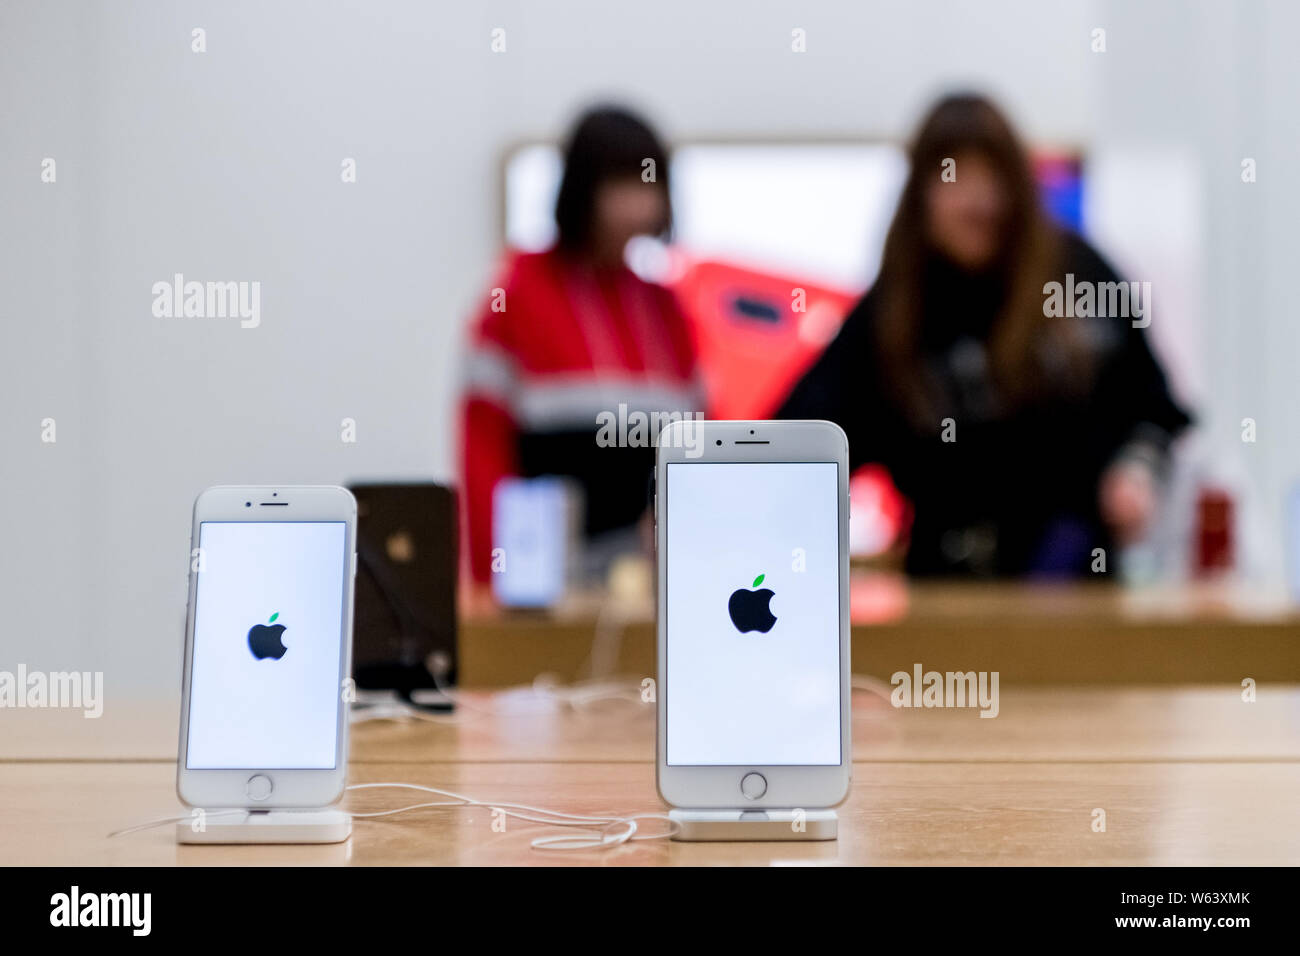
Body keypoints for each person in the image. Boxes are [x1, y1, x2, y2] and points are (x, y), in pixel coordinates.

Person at [777, 93, 1191, 577]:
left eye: (993, 176)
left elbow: (1153, 407)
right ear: (922, 193)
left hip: (1074, 581)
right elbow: (805, 440)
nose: (979, 201)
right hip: (946, 589)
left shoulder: (1077, 274)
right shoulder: (894, 311)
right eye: (955, 177)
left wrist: (1136, 473)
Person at [459, 106, 702, 586]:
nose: (638, 204)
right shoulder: (518, 297)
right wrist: (496, 579)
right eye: (619, 185)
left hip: (652, 586)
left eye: (648, 184)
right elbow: (483, 452)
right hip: (548, 588)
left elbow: (699, 450)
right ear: (581, 189)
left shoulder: (666, 311)